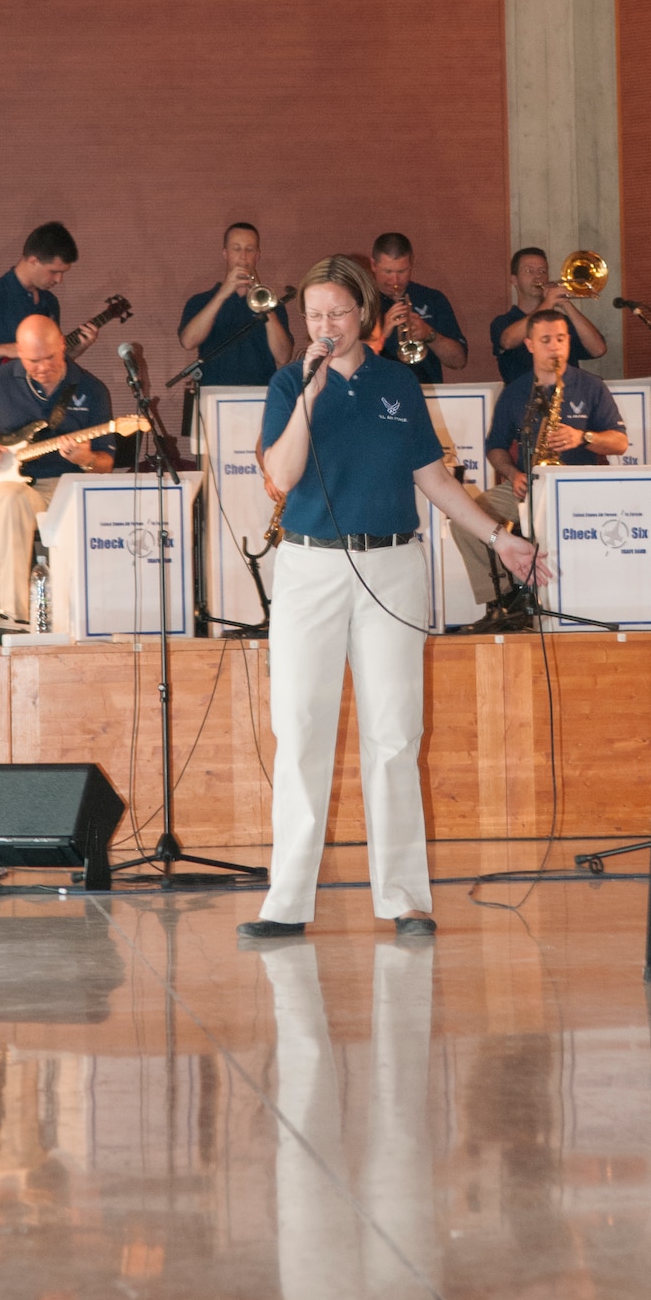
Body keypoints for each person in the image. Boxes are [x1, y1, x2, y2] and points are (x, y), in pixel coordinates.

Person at [236, 255, 545, 942]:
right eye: (313, 316)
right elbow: (279, 476)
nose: (324, 327)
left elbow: (432, 480)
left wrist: (500, 539)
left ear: (363, 316)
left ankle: (404, 897)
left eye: (337, 315)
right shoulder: (290, 382)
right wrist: (311, 396)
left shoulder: (397, 382)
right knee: (301, 729)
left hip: (392, 566)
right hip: (310, 569)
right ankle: (285, 902)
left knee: (394, 733)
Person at [449, 307, 627, 631]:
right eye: (546, 340)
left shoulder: (590, 386)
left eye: (561, 339)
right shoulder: (516, 390)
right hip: (526, 485)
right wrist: (513, 473)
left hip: (579, 488)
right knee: (465, 523)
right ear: (529, 344)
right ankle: (502, 602)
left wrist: (583, 437)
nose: (555, 347)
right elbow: (495, 447)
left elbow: (619, 443)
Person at [0, 315, 118, 622]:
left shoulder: (92, 389)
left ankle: (82, 620)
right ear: (18, 354)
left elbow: (105, 464)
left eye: (50, 357)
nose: (42, 367)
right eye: (32, 360)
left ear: (63, 345)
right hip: (17, 487)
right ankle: (16, 619)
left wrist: (85, 459)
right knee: (8, 500)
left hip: (70, 488)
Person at [0, 222, 98, 367]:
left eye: (62, 273)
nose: (59, 279)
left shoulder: (50, 302)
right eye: (54, 271)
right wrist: (6, 349)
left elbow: (47, 364)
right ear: (33, 261)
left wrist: (77, 349)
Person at [178, 222, 293, 387]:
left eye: (250, 249)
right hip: (214, 396)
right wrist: (222, 294)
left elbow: (283, 356)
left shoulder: (273, 304)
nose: (243, 257)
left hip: (261, 395)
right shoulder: (200, 301)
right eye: (236, 249)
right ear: (225, 253)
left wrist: (265, 306)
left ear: (258, 255)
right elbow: (188, 342)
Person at [490, 247, 607, 385]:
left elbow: (598, 349)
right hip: (524, 400)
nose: (538, 276)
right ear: (514, 280)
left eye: (543, 271)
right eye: (529, 271)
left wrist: (566, 305)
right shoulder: (503, 322)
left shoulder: (561, 322)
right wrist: (548, 302)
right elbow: (508, 341)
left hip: (567, 398)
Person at [368, 233, 466, 384]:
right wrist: (383, 333)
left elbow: (459, 361)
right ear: (373, 265)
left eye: (401, 271)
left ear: (412, 263)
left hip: (425, 392)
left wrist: (430, 335)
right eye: (387, 272)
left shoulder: (432, 299)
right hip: (377, 392)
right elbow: (351, 364)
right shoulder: (362, 301)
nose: (395, 280)